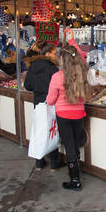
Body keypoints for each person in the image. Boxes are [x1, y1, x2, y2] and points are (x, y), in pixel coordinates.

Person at [47, 39, 90, 191]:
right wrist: (73, 42)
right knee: (76, 143)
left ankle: (75, 179)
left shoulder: (57, 77)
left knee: (69, 145)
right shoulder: (83, 74)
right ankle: (76, 169)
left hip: (63, 115)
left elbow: (50, 100)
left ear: (62, 59)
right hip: (79, 113)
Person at [24, 41, 65, 172]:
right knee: (52, 130)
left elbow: (27, 85)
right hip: (51, 103)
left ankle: (39, 163)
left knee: (39, 131)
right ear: (47, 53)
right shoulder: (52, 69)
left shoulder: (33, 66)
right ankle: (53, 163)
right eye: (54, 53)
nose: (56, 56)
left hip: (37, 103)